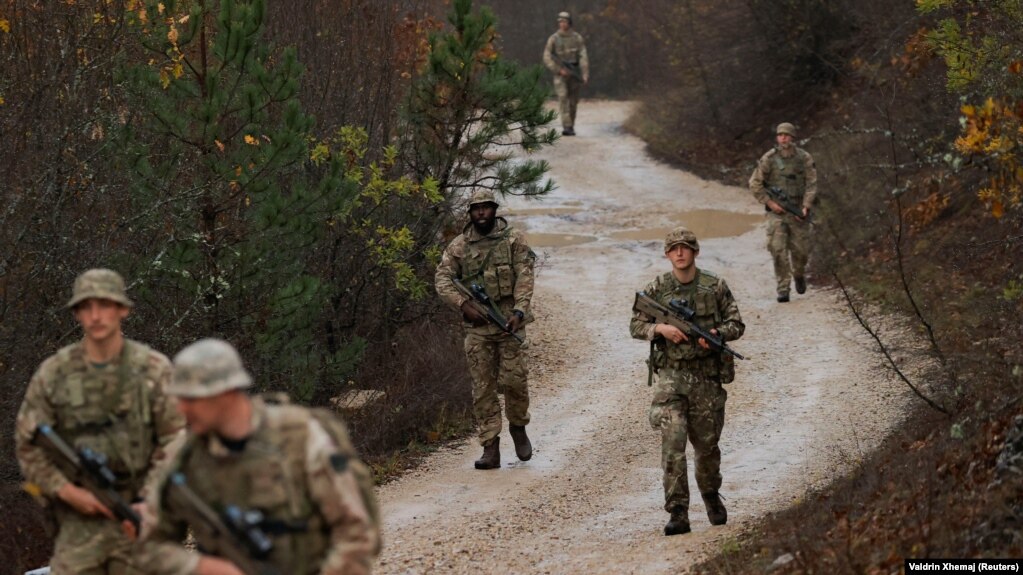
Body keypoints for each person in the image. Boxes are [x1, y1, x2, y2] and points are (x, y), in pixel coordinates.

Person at [138, 338, 380, 575]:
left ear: (227, 392)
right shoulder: (184, 460)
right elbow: (152, 546)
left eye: (191, 398)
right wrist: (201, 567)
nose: (181, 408)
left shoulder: (299, 436)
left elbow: (355, 532)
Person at [15, 268, 185, 574]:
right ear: (77, 313)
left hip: (141, 523)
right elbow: (28, 442)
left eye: (105, 305)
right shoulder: (55, 373)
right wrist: (68, 492)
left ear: (122, 309)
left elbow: (178, 439)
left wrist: (151, 498)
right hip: (78, 528)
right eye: (86, 307)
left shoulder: (154, 370)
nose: (96, 316)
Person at [630, 227, 745, 536]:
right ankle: (677, 511)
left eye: (685, 248)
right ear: (667, 254)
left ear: (695, 252)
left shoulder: (715, 286)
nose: (680, 253)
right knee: (673, 442)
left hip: (706, 378)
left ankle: (710, 494)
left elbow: (737, 323)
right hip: (671, 378)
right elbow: (636, 325)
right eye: (674, 249)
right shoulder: (657, 287)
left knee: (707, 447)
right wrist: (661, 330)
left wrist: (719, 334)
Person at [435, 189, 537, 470]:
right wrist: (463, 304)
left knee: (515, 381)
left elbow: (525, 276)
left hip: (508, 323)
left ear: (494, 210)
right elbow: (442, 279)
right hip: (477, 327)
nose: (481, 212)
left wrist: (519, 311)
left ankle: (518, 427)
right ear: (470, 213)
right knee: (483, 388)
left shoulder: (513, 239)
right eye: (475, 208)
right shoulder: (460, 246)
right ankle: (490, 446)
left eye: (486, 207)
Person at [748, 122, 818, 302]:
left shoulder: (804, 158)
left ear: (792, 137)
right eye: (780, 135)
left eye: (786, 135)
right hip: (776, 212)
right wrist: (770, 203)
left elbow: (811, 183)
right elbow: (754, 183)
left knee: (801, 251)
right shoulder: (769, 159)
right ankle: (783, 288)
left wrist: (805, 206)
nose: (783, 138)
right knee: (778, 249)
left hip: (797, 210)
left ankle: (799, 274)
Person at [542, 11, 589, 136]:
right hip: (560, 74)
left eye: (564, 21)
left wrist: (584, 73)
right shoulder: (554, 39)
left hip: (574, 73)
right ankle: (567, 126)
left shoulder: (577, 38)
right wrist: (558, 70)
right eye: (560, 22)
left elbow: (583, 56)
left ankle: (571, 125)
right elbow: (547, 57)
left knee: (573, 102)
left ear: (569, 23)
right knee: (563, 99)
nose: (562, 24)